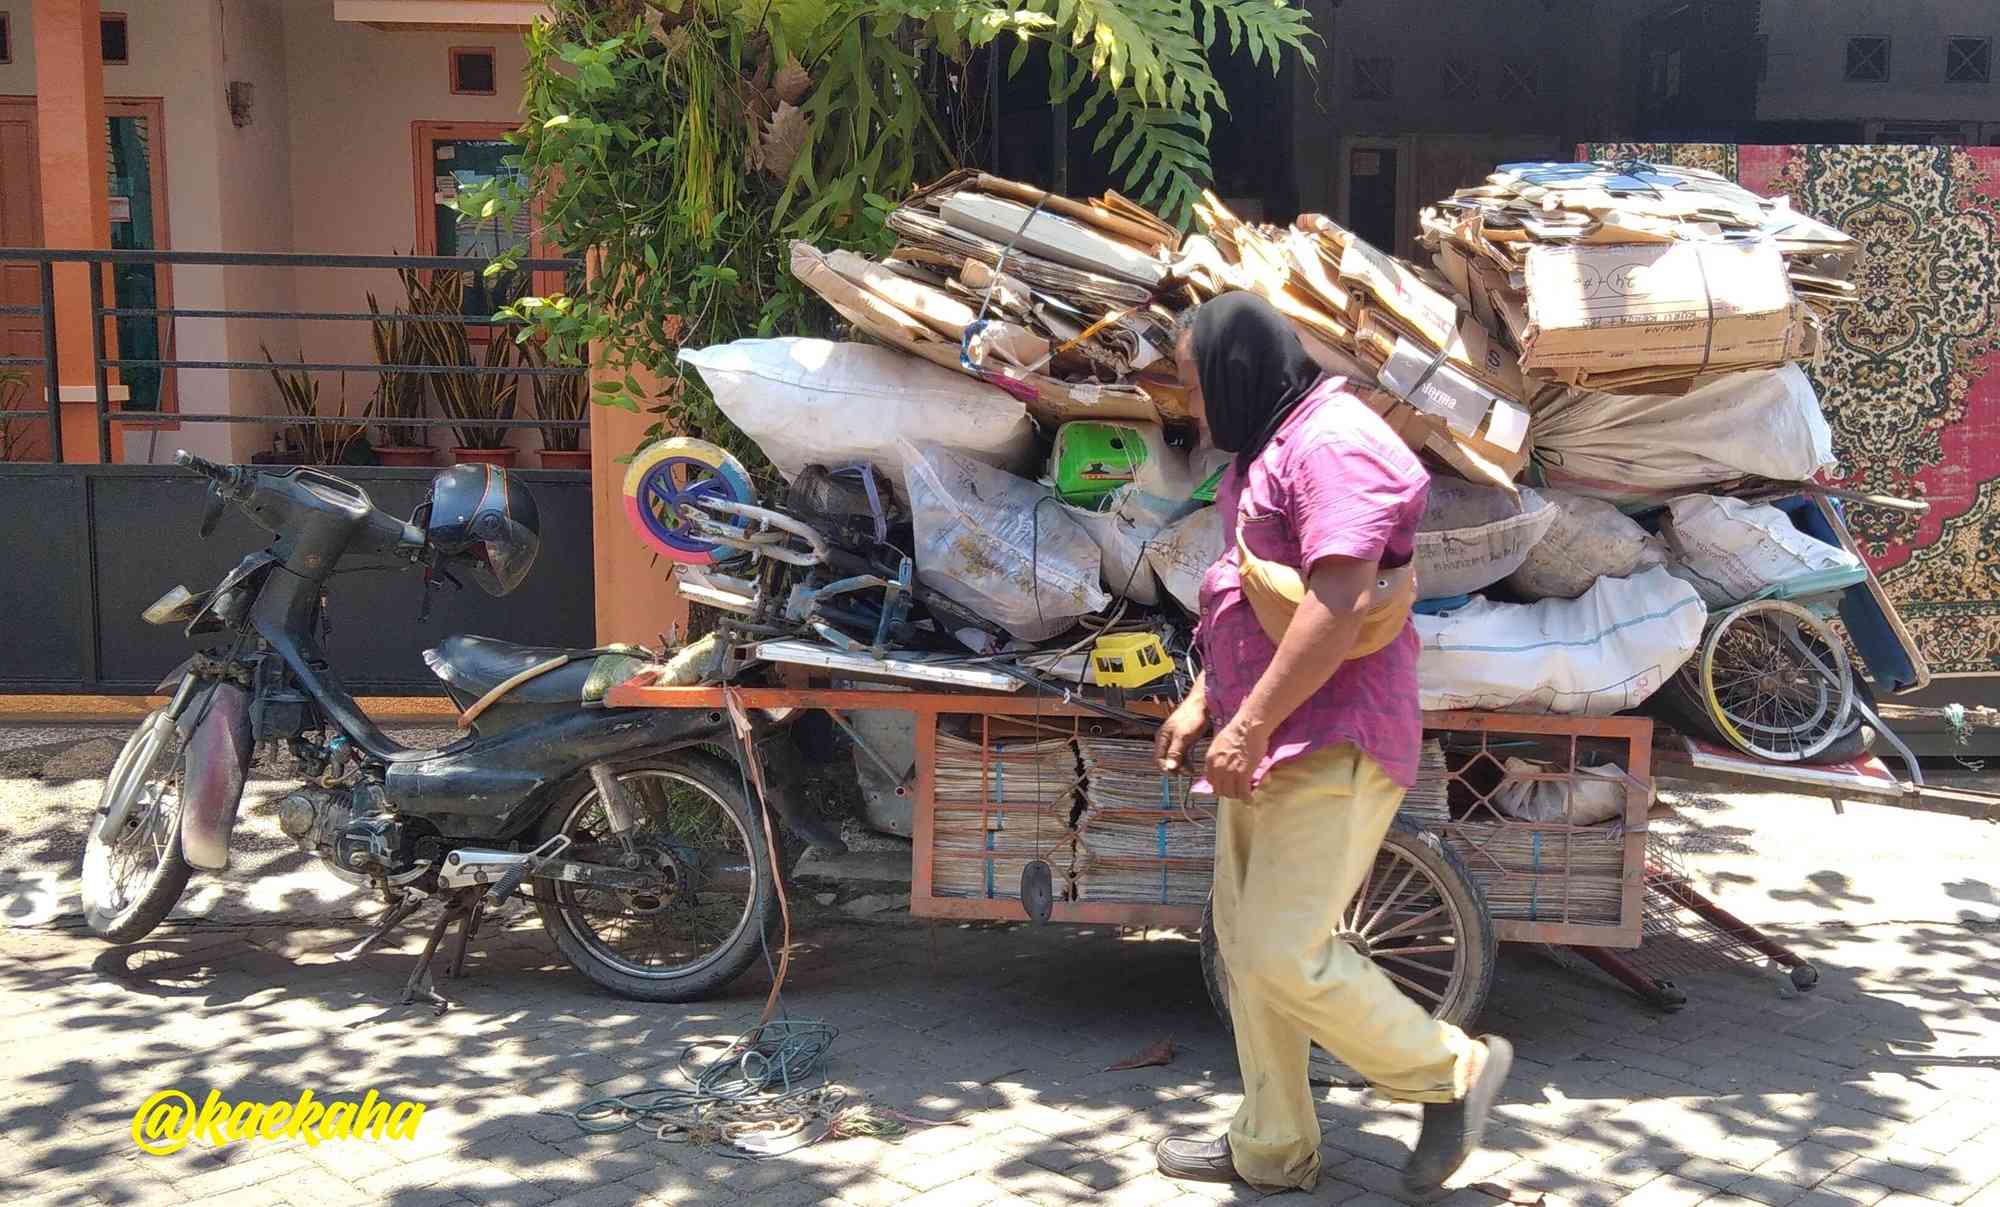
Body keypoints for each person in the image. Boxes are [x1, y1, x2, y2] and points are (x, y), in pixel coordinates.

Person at [1151, 292, 1512, 1197]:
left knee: (1281, 946)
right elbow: (1258, 592)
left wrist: (1248, 722)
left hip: (1327, 736)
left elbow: (1339, 602)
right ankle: (1273, 1146)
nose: (1189, 407)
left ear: (1236, 373)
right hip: (1272, 734)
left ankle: (1451, 1073)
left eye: (1195, 386)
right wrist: (1206, 698)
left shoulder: (1332, 444)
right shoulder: (1268, 445)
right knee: (1246, 944)